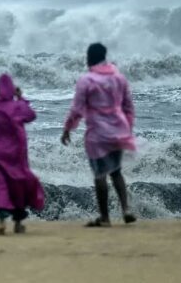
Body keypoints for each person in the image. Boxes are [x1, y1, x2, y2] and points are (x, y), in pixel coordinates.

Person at [62, 42, 137, 227]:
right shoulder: (119, 78)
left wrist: (67, 129)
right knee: (116, 172)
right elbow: (128, 106)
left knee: (100, 174)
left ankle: (104, 218)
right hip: (119, 130)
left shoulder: (86, 80)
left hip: (97, 133)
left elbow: (77, 109)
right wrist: (127, 128)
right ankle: (126, 209)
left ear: (89, 58)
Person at [0, 73, 45, 235]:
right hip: (16, 153)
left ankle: (2, 222)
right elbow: (31, 115)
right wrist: (21, 98)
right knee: (18, 185)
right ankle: (17, 223)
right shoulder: (18, 107)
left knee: (0, 185)